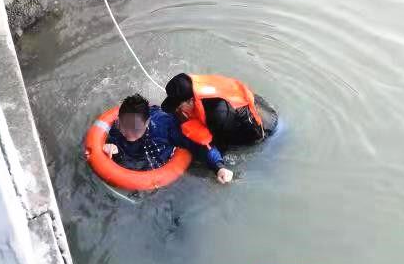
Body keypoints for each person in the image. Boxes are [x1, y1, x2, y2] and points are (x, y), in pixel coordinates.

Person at [103, 94, 234, 184]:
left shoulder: (165, 128)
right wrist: (111, 145)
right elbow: (112, 139)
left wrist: (219, 167)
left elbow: (200, 145)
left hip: (165, 167)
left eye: (135, 129)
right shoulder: (117, 126)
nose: (128, 133)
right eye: (124, 127)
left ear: (147, 122)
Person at [161, 73, 278, 150]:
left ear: (191, 101)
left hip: (264, 128)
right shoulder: (196, 85)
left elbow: (218, 147)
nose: (177, 111)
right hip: (255, 103)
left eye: (179, 107)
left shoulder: (217, 115)